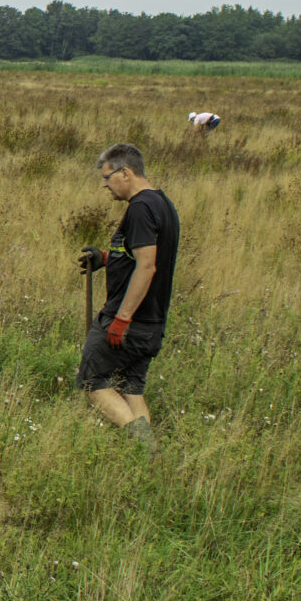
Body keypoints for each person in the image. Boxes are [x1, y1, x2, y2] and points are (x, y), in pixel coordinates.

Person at [74, 142, 178, 451]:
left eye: (107, 177)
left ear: (126, 173)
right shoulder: (163, 204)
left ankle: (146, 448)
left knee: (92, 383)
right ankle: (150, 460)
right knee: (131, 389)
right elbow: (139, 256)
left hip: (130, 320)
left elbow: (147, 266)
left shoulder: (141, 208)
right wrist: (106, 259)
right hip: (152, 323)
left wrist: (121, 320)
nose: (104, 185)